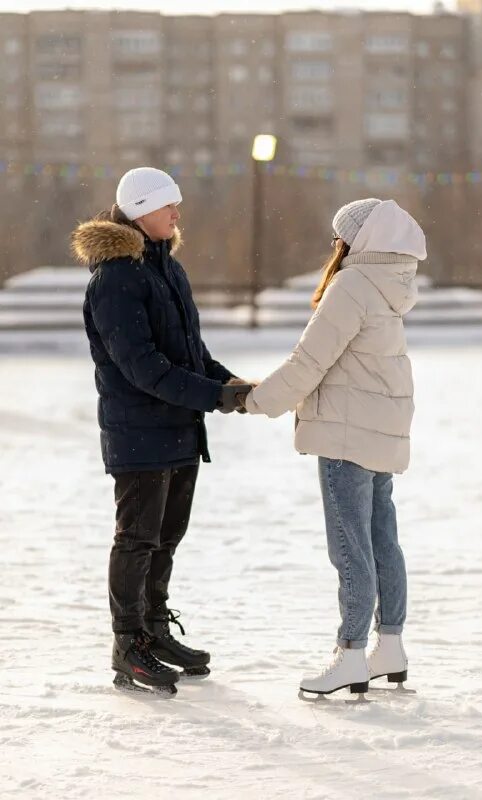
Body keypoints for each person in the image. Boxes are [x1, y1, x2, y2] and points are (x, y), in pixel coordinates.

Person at [72, 167, 251, 692]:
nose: (177, 213)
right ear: (140, 210)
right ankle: (128, 644)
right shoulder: (116, 278)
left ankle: (152, 629)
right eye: (168, 205)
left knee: (166, 538)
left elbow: (191, 352)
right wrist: (213, 396)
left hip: (178, 428)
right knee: (137, 539)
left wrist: (229, 383)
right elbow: (142, 367)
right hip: (139, 433)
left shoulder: (166, 267)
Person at [244, 198, 426, 697]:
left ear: (356, 241)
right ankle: (390, 646)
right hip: (380, 429)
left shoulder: (352, 286)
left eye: (338, 237)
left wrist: (256, 400)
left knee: (350, 547)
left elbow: (310, 360)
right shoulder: (391, 285)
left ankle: (350, 653)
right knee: (382, 540)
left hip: (347, 433)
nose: (335, 245)